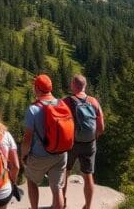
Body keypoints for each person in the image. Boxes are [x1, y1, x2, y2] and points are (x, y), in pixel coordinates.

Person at [21, 74, 70, 209]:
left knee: (31, 181)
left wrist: (24, 155)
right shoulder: (61, 104)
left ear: (37, 89)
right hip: (61, 153)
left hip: (39, 155)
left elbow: (27, 138)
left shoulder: (33, 109)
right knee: (57, 188)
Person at [63, 74, 105, 209]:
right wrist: (93, 138)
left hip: (71, 143)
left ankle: (62, 202)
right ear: (84, 86)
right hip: (89, 143)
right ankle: (87, 206)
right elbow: (101, 127)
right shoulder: (94, 102)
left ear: (73, 85)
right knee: (88, 176)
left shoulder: (67, 102)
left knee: (64, 173)